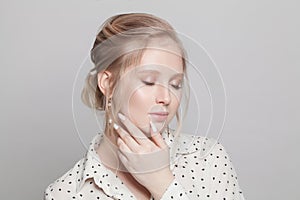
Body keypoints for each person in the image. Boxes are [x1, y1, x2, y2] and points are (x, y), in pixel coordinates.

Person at [44, 13, 245, 200]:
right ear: (107, 84)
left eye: (176, 84)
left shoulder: (208, 159)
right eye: (149, 81)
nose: (166, 97)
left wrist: (163, 183)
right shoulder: (64, 193)